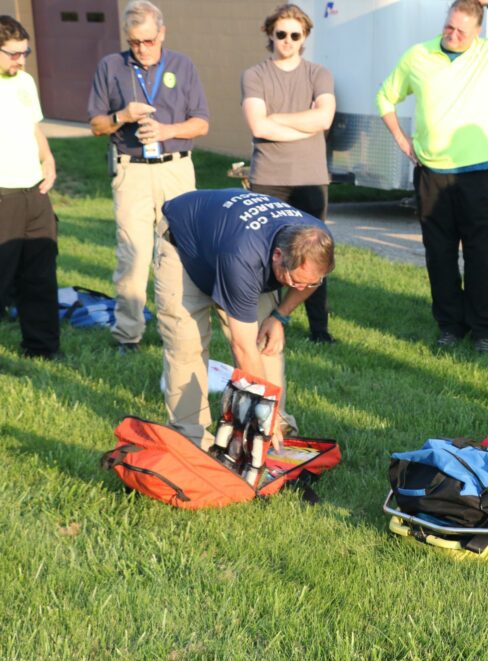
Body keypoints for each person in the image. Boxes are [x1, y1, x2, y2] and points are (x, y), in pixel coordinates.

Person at [377, 0, 488, 353]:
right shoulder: (418, 55)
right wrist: (403, 141)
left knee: (480, 253)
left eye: (461, 31)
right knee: (439, 253)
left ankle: (483, 331)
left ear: (478, 32)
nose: (452, 34)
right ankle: (449, 325)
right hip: (432, 173)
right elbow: (385, 97)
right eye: (449, 26)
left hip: (477, 174)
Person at [154, 189, 335, 450]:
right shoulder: (243, 256)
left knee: (267, 341)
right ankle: (189, 438)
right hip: (184, 245)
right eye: (293, 280)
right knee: (187, 344)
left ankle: (276, 429)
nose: (299, 285)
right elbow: (242, 347)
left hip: (229, 240)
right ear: (278, 256)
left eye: (309, 280)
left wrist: (279, 316)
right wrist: (263, 412)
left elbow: (309, 282)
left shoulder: (318, 241)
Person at [87, 0, 209, 355]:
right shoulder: (111, 66)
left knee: (182, 251)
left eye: (148, 41)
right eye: (134, 42)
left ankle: (181, 327)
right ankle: (128, 334)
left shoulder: (182, 65)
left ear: (162, 34)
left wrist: (165, 130)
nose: (141, 49)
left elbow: (201, 123)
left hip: (176, 169)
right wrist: (122, 115)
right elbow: (96, 125)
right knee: (134, 254)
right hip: (132, 171)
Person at [242, 4, 336, 345]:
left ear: (305, 37)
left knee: (317, 253)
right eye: (281, 34)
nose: (287, 40)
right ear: (270, 34)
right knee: (264, 253)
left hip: (311, 178)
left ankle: (319, 331)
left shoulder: (319, 73)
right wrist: (304, 125)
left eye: (295, 35)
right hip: (269, 176)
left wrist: (275, 120)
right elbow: (256, 124)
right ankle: (260, 321)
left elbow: (324, 120)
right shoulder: (255, 75)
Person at [0, 16, 60, 360]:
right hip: (2, 194)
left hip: (35, 193)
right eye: (12, 54)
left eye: (25, 52)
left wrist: (48, 159)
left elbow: (33, 126)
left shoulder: (25, 81)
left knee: (40, 274)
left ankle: (42, 349)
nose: (20, 60)